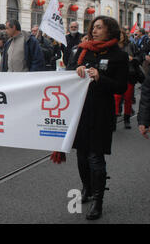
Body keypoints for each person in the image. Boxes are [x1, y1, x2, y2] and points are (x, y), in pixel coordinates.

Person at [59, 16, 128, 220]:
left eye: (99, 27)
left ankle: (98, 200)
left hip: (101, 111)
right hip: (80, 110)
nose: (94, 30)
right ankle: (86, 188)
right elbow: (69, 73)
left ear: (110, 31)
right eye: (93, 27)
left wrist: (100, 77)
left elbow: (121, 87)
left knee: (95, 157)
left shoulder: (119, 56)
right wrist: (76, 71)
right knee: (81, 155)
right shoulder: (83, 50)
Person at [114, 30, 142, 130]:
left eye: (120, 34)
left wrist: (133, 59)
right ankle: (115, 117)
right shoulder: (113, 46)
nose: (119, 36)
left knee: (128, 98)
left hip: (129, 74)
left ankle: (127, 119)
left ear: (124, 35)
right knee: (116, 98)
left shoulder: (131, 45)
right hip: (116, 75)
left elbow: (139, 57)